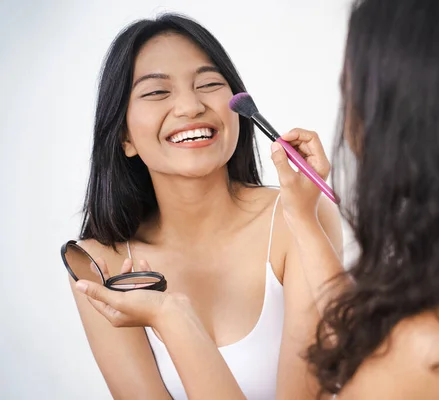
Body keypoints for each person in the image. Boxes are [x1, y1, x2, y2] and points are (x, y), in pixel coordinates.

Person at [76, 0, 439, 399]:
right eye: (156, 92)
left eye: (357, 91)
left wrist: (174, 318)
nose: (349, 121)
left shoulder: (426, 347)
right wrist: (306, 220)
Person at [69, 13, 342, 400]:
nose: (190, 105)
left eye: (209, 84)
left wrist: (172, 318)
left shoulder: (297, 217)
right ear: (124, 137)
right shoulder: (98, 264)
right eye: (157, 92)